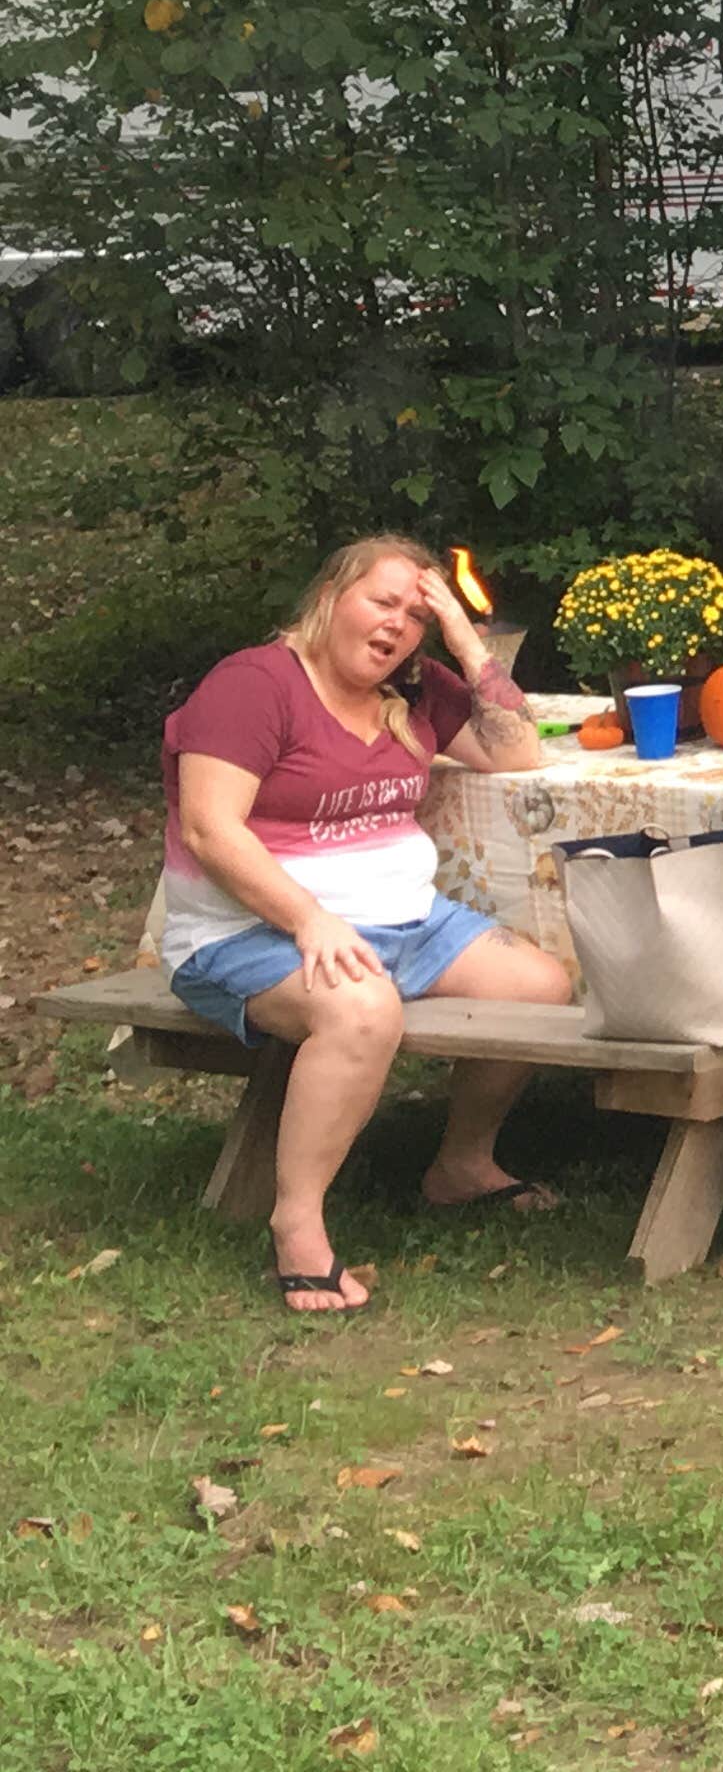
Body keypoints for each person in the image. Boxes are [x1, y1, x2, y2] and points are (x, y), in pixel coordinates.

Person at [160, 533, 581, 1312]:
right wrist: (309, 919)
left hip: (404, 920)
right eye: (381, 602)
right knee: (362, 1010)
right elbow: (210, 830)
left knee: (539, 984)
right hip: (249, 931)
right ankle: (299, 1224)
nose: (396, 627)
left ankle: (462, 1164)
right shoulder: (253, 686)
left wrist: (463, 635)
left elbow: (519, 752)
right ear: (329, 596)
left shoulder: (414, 692)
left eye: (414, 617)